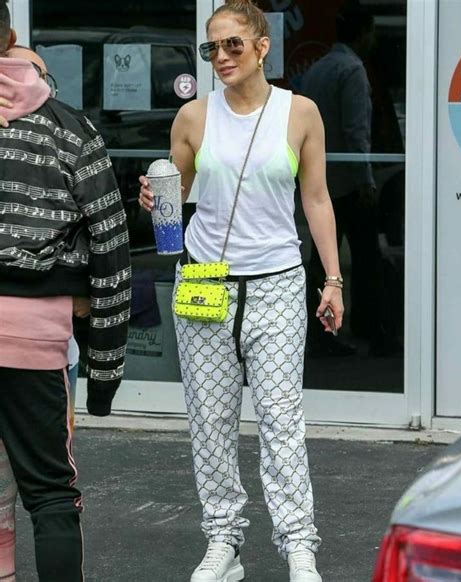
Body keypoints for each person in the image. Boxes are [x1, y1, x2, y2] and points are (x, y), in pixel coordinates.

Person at [139, 1, 343, 580]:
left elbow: (317, 199)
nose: (221, 57)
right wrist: (153, 200)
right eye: (211, 48)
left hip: (277, 282)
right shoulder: (193, 118)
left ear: (261, 47)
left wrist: (332, 279)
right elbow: (171, 194)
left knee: (282, 421)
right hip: (205, 280)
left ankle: (299, 545)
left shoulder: (299, 113)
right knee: (210, 421)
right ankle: (223, 543)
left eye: (232, 45)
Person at [0, 1, 131, 579]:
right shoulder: (69, 128)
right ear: (9, 36)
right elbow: (113, 248)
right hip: (33, 332)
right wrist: (103, 373)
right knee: (51, 494)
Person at [302, 7, 383, 351]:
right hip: (347, 184)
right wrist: (366, 180)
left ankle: (316, 334)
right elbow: (356, 132)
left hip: (320, 179)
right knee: (366, 260)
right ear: (363, 33)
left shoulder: (317, 68)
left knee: (320, 261)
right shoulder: (351, 69)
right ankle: (368, 329)